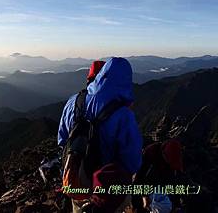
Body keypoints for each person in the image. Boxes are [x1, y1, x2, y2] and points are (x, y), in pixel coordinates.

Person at [58, 57, 143, 212]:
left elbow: (62, 140)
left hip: (75, 180)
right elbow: (132, 162)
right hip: (103, 190)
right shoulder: (123, 115)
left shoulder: (73, 102)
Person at [132, 139, 185, 212]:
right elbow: (139, 178)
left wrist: (177, 204)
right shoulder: (150, 152)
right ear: (163, 154)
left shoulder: (175, 157)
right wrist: (143, 196)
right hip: (148, 181)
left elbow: (176, 179)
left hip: (162, 183)